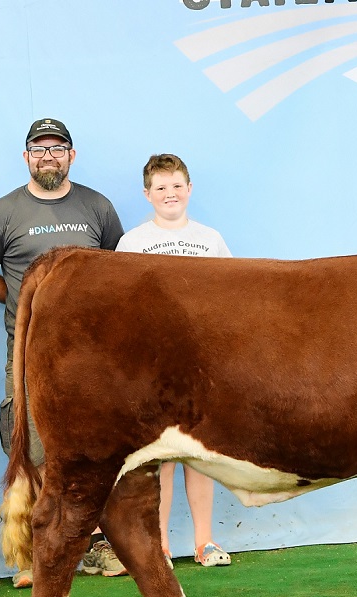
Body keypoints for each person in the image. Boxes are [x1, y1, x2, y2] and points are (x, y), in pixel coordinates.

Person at [0, 118, 126, 586]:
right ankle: (38, 552)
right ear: (26, 157)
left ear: (71, 156)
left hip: (94, 351)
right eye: (39, 148)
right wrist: (27, 301)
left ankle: (97, 545)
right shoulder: (3, 212)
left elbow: (117, 272)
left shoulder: (98, 207)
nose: (48, 156)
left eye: (58, 149)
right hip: (30, 345)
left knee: (97, 444)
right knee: (32, 441)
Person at [115, 153, 232, 568]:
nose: (170, 193)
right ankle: (159, 545)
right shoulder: (132, 243)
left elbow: (230, 300)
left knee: (200, 453)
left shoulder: (211, 239)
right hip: (155, 367)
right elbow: (123, 308)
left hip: (202, 363)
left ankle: (205, 542)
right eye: (161, 187)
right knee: (161, 454)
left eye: (177, 185)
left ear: (190, 188)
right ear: (147, 195)